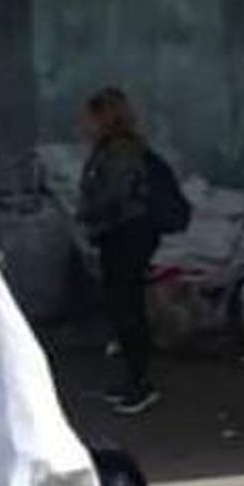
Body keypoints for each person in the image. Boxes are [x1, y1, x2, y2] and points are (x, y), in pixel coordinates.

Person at [78, 87, 160, 416]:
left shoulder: (120, 152)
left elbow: (113, 194)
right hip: (120, 233)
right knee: (123, 306)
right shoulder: (111, 150)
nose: (82, 125)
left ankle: (140, 382)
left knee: (126, 307)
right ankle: (133, 378)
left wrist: (87, 212)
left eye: (88, 118)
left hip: (126, 233)